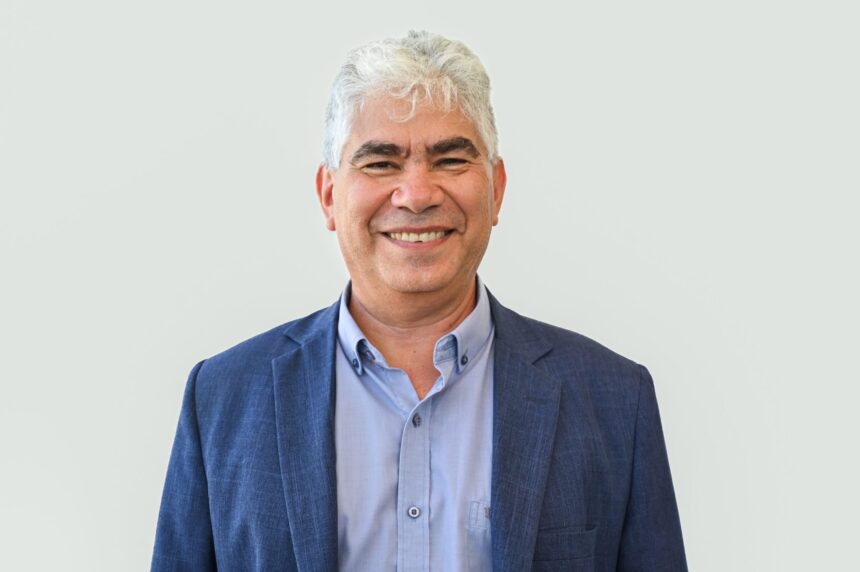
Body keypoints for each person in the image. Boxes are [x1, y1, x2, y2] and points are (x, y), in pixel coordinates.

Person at [151, 30, 687, 571]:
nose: (417, 194)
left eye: (449, 160)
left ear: (496, 189)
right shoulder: (222, 398)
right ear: (329, 195)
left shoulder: (616, 401)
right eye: (381, 163)